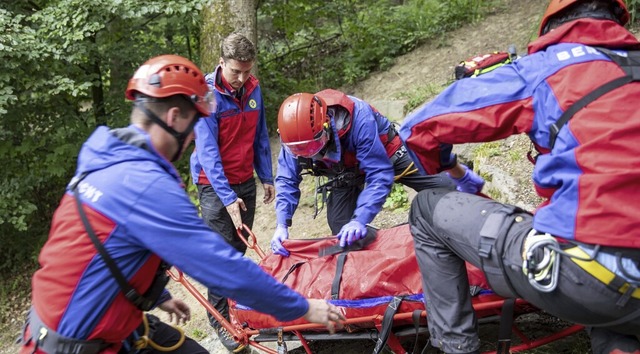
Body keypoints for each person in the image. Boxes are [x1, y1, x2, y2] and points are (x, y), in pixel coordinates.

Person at [19, 54, 344, 354]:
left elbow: (102, 247)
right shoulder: (145, 186)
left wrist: (157, 296)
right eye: (193, 128)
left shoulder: (103, 155)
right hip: (77, 343)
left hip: (84, 322)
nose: (192, 140)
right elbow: (226, 270)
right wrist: (305, 308)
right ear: (174, 118)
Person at [399, 0, 640, 353]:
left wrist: (449, 167)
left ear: (551, 27)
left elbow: (420, 128)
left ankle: (456, 348)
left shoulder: (546, 69)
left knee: (426, 208)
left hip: (591, 274)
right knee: (618, 315)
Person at [270, 89, 482, 256]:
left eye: (312, 146)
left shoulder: (358, 117)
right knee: (342, 228)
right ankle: (385, 255)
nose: (309, 154)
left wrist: (360, 218)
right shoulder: (295, 139)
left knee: (447, 189)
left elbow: (379, 174)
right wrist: (281, 224)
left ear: (325, 125)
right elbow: (287, 179)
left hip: (387, 153)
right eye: (301, 150)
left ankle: (479, 220)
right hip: (344, 170)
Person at [188, 33, 275, 350]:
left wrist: (266, 175)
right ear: (221, 63)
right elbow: (208, 152)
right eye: (235, 71)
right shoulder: (206, 95)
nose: (241, 79)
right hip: (213, 184)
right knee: (220, 252)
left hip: (244, 178)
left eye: (247, 71)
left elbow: (260, 134)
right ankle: (221, 321)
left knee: (238, 248)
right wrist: (227, 199)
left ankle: (235, 305)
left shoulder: (253, 89)